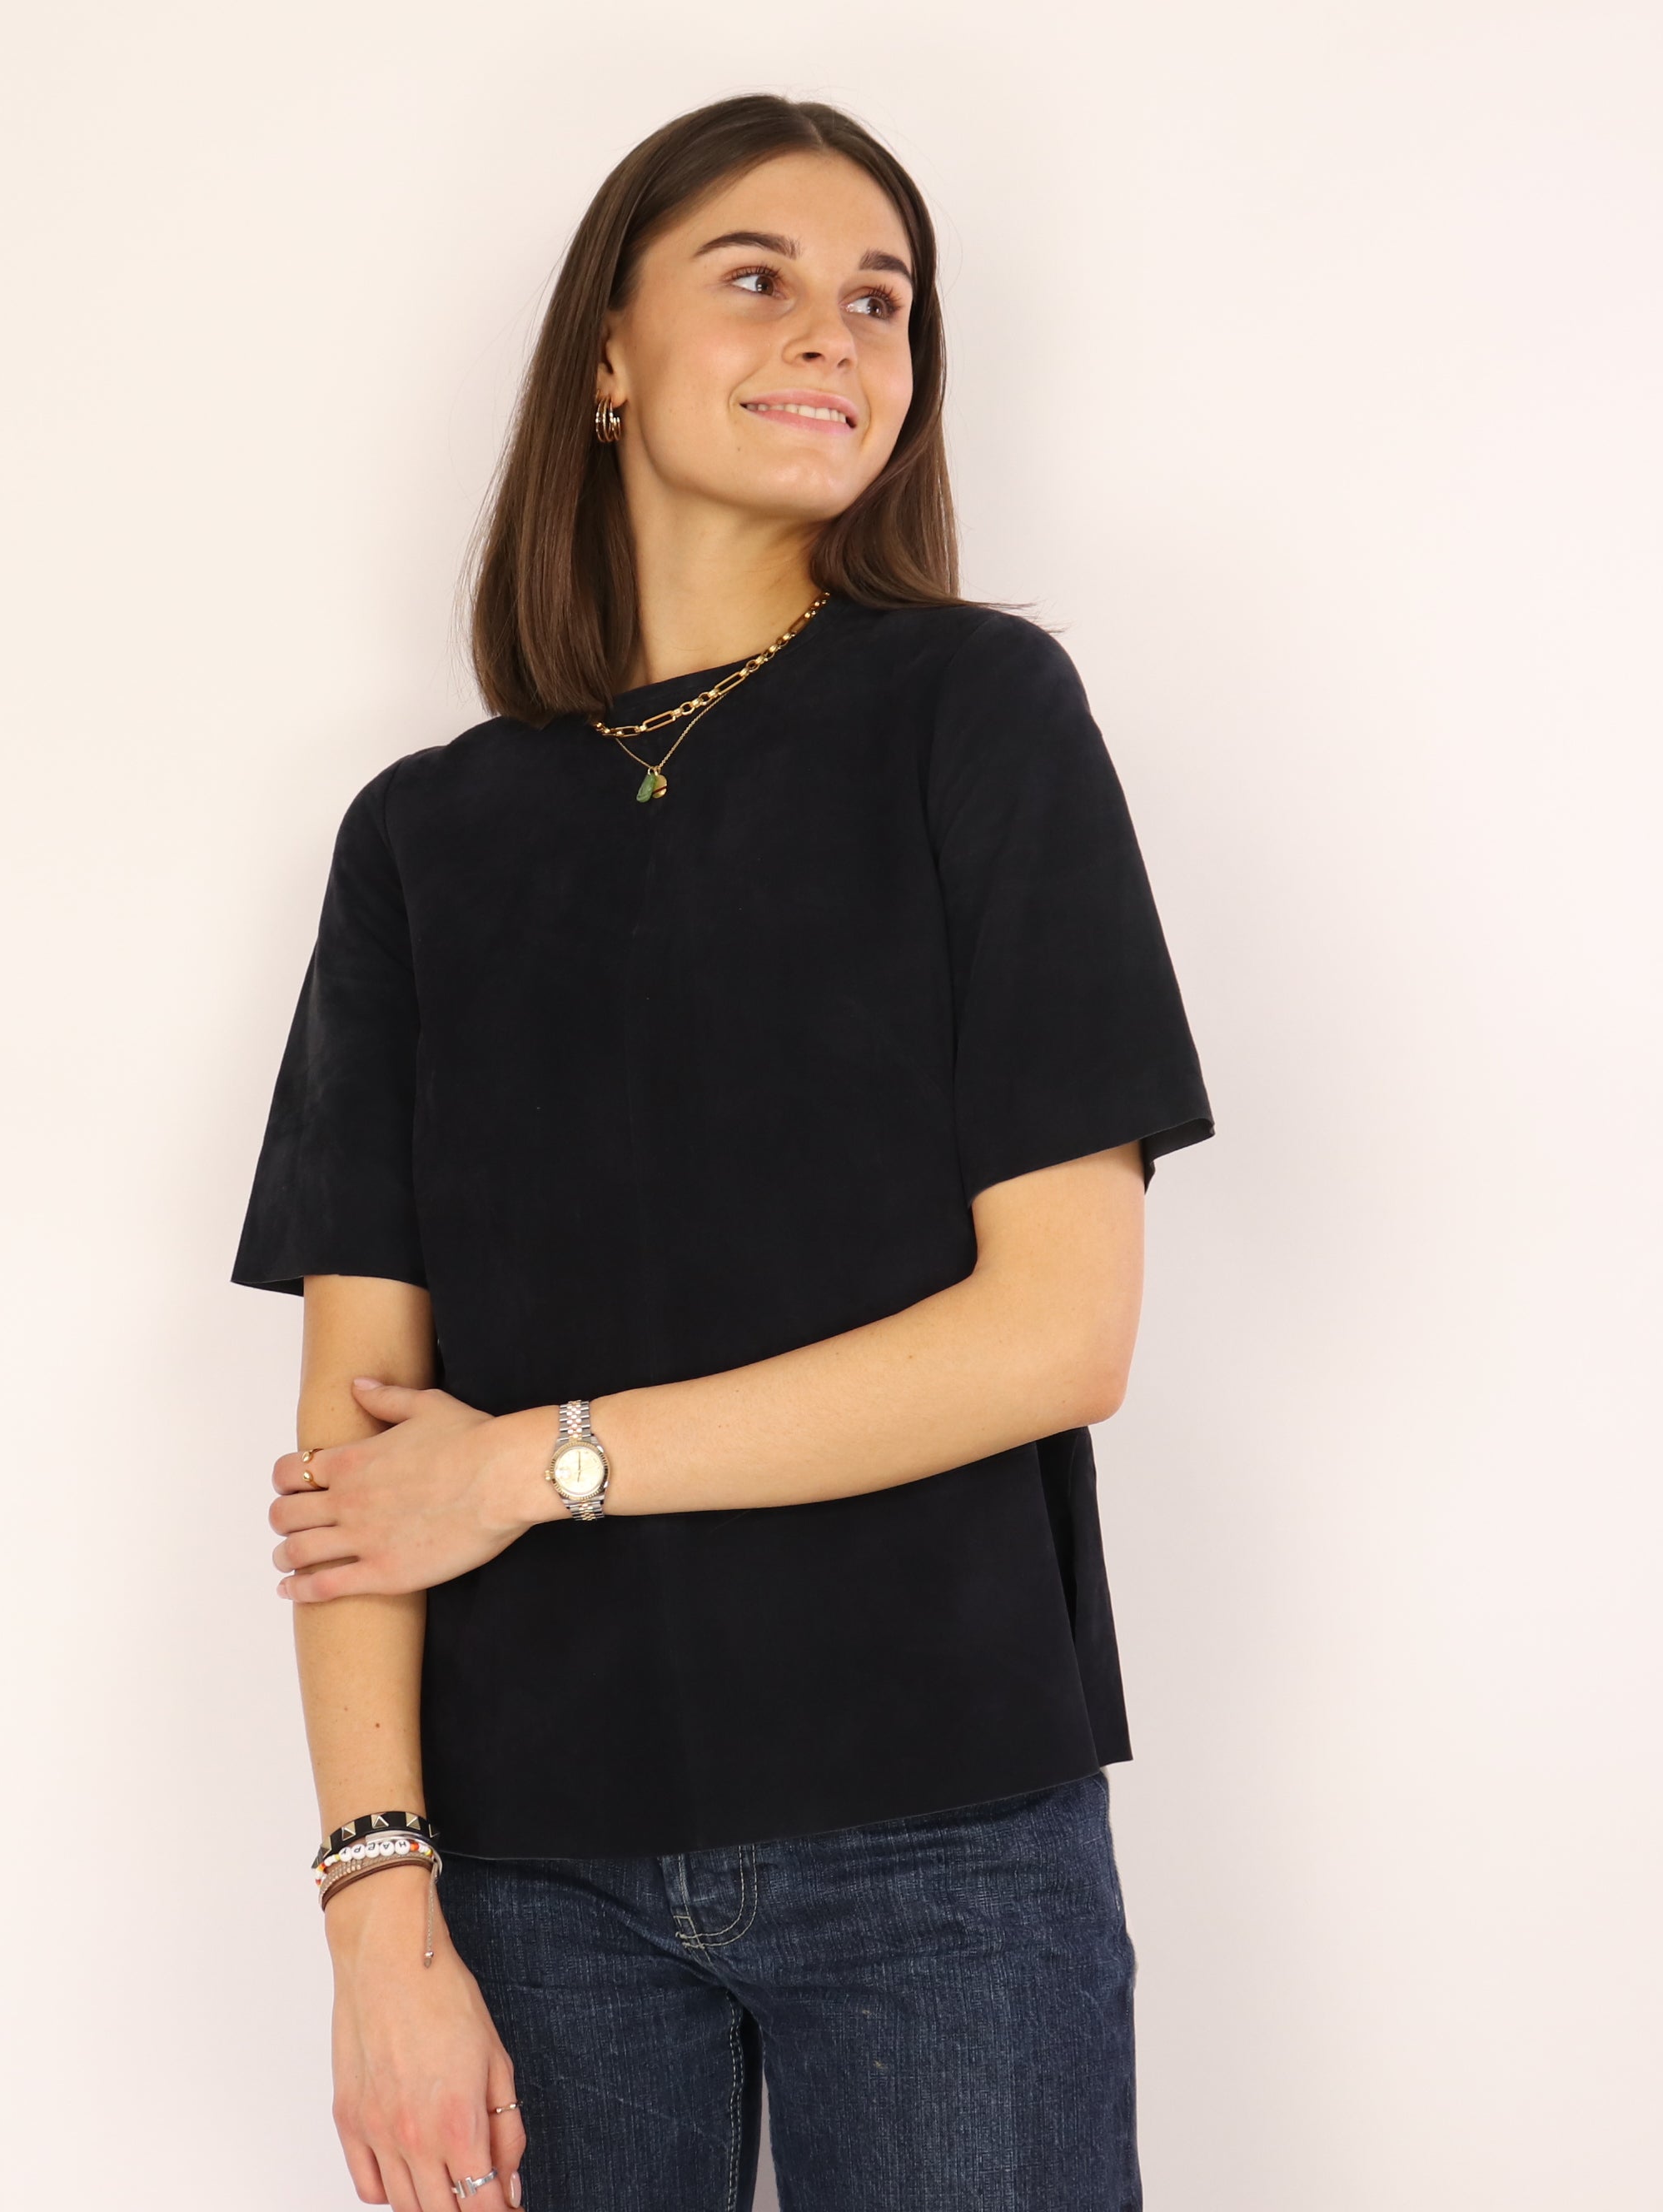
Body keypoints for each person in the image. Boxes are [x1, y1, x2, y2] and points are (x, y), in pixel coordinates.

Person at [230, 92, 1212, 2212]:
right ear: (605, 349)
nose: (833, 334)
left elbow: (1057, 1331)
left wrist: (533, 1461)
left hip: (940, 1833)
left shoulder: (976, 713)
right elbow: (351, 1440)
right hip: (525, 1873)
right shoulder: (423, 837)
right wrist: (376, 1910)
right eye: (755, 276)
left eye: (882, 299)